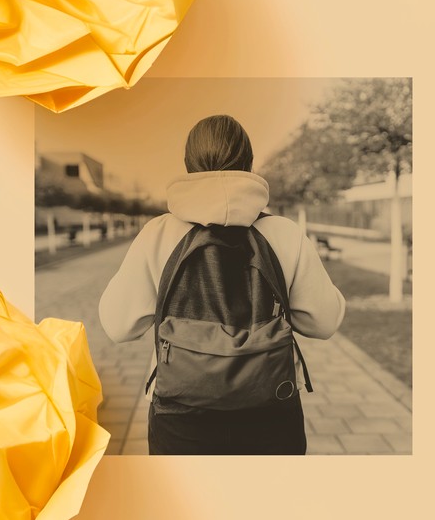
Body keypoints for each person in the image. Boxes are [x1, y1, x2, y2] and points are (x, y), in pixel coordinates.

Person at [98, 114, 345, 455]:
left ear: (189, 164)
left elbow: (118, 326)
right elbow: (323, 322)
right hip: (271, 410)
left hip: (182, 417)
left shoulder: (158, 233)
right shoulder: (284, 233)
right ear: (248, 163)